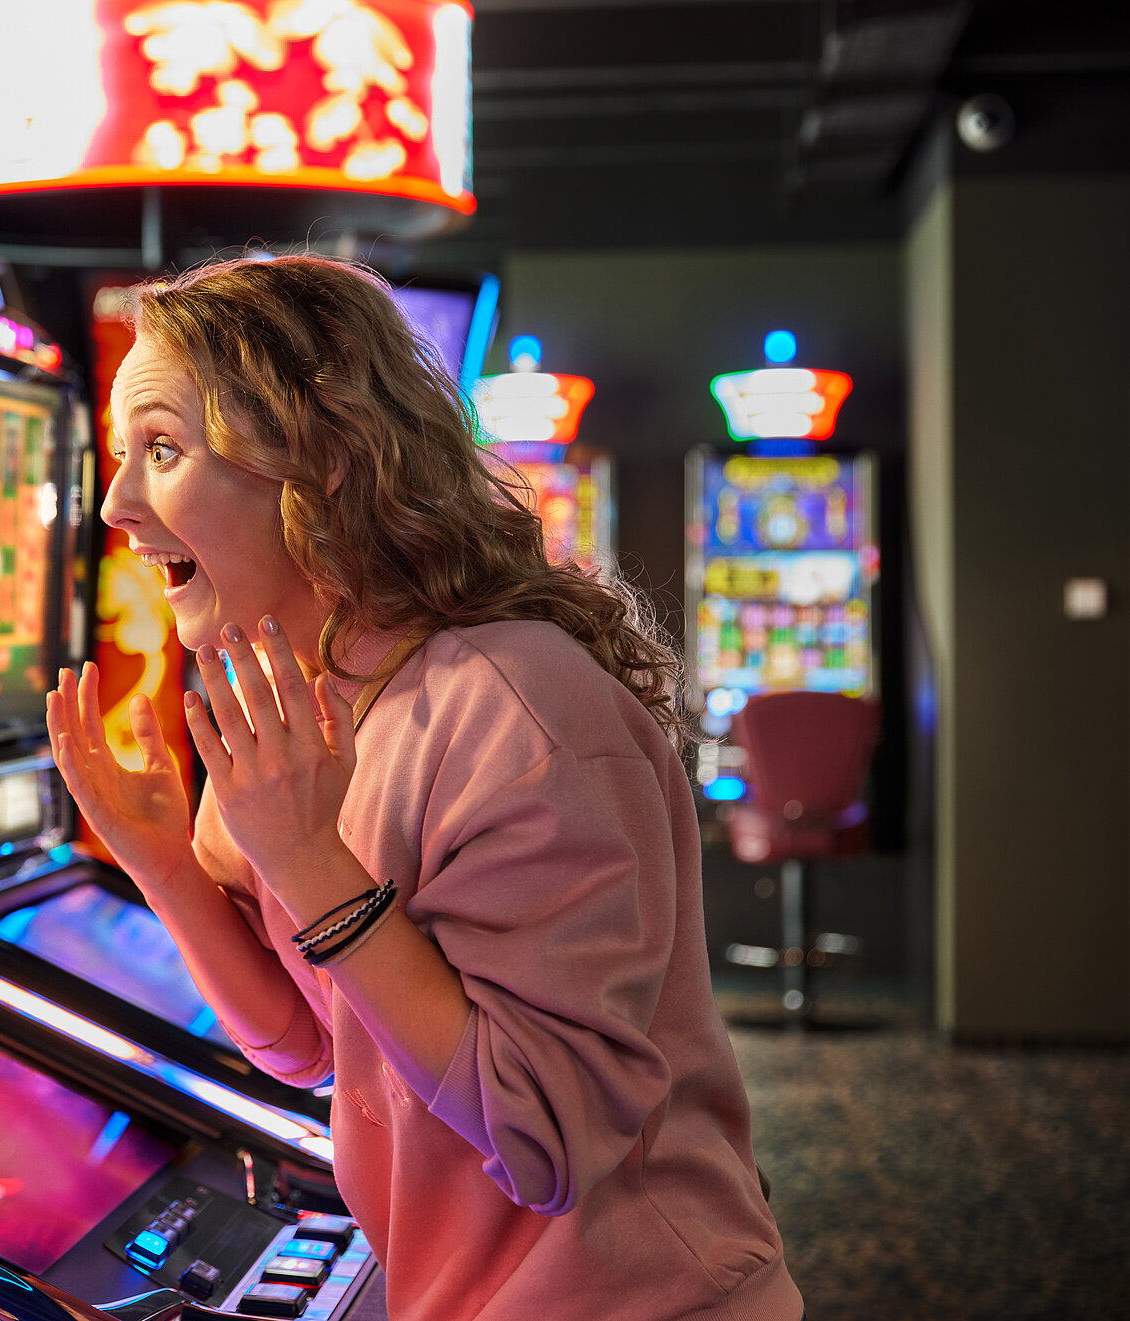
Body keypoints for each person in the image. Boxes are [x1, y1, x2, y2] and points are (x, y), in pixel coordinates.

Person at [48, 255, 803, 1320]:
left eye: (162, 449)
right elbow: (314, 1044)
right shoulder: (312, 694)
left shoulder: (519, 711)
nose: (119, 502)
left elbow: (549, 1134)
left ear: (327, 461)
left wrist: (310, 863)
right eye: (126, 455)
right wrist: (167, 864)